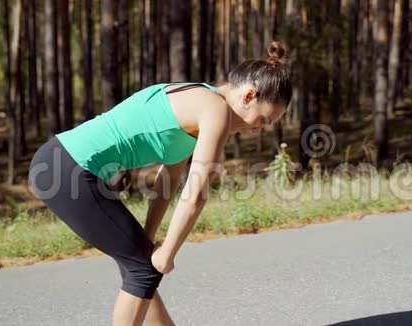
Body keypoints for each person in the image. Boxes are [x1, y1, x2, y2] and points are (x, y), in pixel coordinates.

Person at [28, 41, 292, 326]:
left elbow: (167, 182)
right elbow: (196, 193)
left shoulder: (199, 101)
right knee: (143, 270)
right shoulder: (214, 110)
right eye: (263, 120)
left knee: (140, 265)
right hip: (68, 169)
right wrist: (167, 253)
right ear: (249, 95)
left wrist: (149, 238)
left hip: (59, 162)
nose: (258, 130)